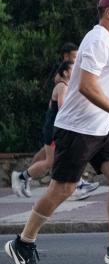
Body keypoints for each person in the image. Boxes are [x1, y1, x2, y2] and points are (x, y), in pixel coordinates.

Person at [5, 0, 109, 264]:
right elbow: (84, 86)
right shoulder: (98, 39)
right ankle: (23, 242)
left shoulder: (108, 41)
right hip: (78, 129)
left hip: (99, 127)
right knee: (63, 188)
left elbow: (95, 80)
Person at [11, 58, 100, 200]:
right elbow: (63, 107)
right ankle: (22, 177)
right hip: (55, 130)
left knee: (65, 156)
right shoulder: (62, 87)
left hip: (59, 128)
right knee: (50, 162)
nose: (77, 72)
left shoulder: (69, 86)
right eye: (73, 69)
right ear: (65, 73)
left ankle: (77, 185)